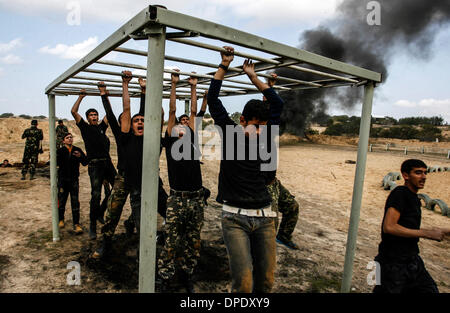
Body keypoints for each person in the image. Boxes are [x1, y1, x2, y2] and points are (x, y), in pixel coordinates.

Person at [207, 46, 284, 293]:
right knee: (244, 283)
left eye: (263, 127)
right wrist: (224, 65)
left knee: (266, 282)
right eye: (255, 126)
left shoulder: (265, 136)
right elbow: (213, 100)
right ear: (242, 121)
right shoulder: (231, 136)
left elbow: (277, 102)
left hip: (264, 218)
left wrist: (253, 76)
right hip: (235, 218)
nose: (260, 131)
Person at [92, 77, 167, 258]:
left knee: (144, 210)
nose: (139, 122)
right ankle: (106, 243)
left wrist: (144, 91)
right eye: (135, 121)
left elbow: (145, 112)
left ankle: (140, 229)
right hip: (124, 178)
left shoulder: (148, 137)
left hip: (142, 180)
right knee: (112, 213)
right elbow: (125, 110)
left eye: (142, 120)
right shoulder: (123, 136)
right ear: (128, 125)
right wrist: (123, 85)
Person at [157, 71, 204, 293]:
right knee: (171, 241)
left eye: (185, 125)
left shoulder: (193, 136)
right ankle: (165, 276)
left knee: (193, 241)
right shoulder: (170, 140)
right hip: (176, 199)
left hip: (195, 199)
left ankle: (187, 274)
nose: (182, 127)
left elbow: (192, 111)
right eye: (178, 126)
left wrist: (193, 87)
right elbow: (173, 111)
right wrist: (174, 85)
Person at [373, 159, 450, 293]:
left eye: (425, 173)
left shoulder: (414, 198)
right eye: (418, 173)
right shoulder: (400, 193)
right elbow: (389, 227)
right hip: (393, 263)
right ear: (405, 175)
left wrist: (442, 231)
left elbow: (409, 227)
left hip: (412, 260)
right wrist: (427, 234)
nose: (424, 177)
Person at [71, 90, 116, 240]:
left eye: (95, 115)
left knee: (116, 190)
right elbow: (73, 111)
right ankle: (92, 226)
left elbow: (109, 113)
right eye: (91, 115)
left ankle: (100, 213)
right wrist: (81, 97)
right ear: (88, 118)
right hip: (95, 166)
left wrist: (106, 97)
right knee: (95, 195)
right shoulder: (85, 127)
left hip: (107, 164)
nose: (94, 117)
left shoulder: (102, 128)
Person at [263, 73, 300, 250]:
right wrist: (268, 89)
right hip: (264, 185)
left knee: (292, 207)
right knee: (269, 224)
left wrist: (270, 87)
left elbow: (271, 110)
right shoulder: (259, 133)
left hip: (274, 182)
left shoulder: (270, 132)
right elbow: (266, 112)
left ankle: (284, 237)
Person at [57, 133, 88, 234]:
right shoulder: (60, 151)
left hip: (74, 180)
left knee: (75, 202)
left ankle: (76, 224)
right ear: (63, 141)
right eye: (67, 138)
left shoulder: (77, 149)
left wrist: (80, 157)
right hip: (62, 180)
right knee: (61, 201)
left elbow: (85, 162)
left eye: (71, 137)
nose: (70, 139)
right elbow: (54, 163)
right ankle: (61, 219)